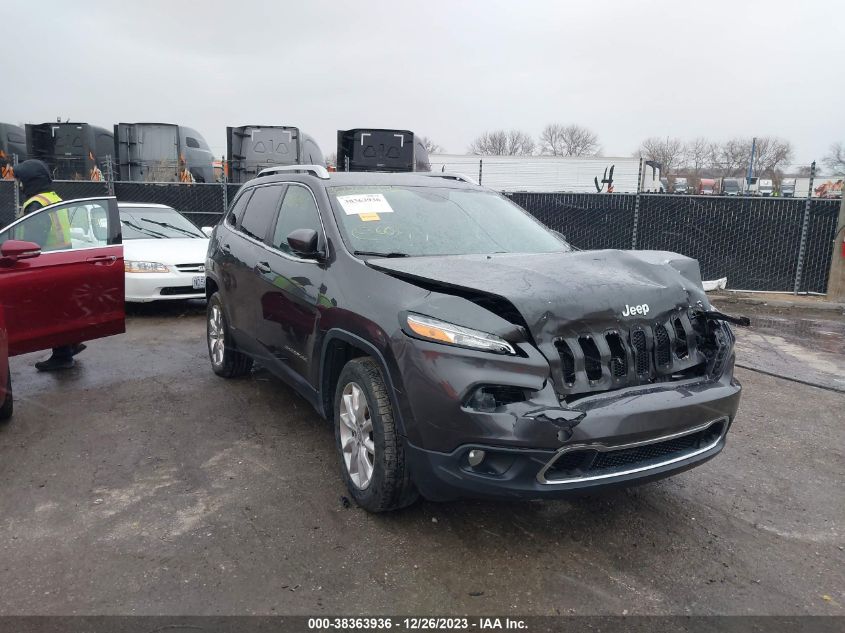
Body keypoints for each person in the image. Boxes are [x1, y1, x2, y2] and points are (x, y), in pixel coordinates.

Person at [12, 160, 85, 371]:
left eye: (20, 180)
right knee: (62, 309)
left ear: (30, 180)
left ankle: (62, 356)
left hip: (44, 263)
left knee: (51, 312)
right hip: (61, 260)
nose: (19, 185)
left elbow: (34, 239)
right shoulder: (53, 198)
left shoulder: (36, 204)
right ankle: (70, 344)